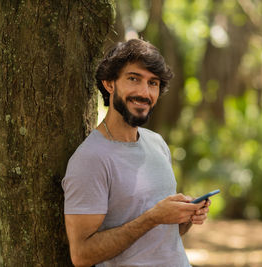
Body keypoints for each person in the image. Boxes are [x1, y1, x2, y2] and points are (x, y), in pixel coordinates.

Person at [61, 38, 211, 267]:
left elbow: (158, 239)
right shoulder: (90, 159)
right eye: (134, 79)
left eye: (153, 83)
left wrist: (186, 217)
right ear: (109, 84)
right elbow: (82, 255)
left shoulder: (157, 144)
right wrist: (152, 218)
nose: (144, 92)